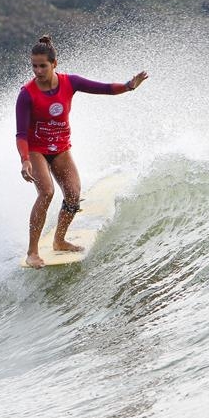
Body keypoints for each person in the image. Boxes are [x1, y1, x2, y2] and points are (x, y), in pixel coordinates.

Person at [16, 35, 148, 269]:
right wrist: (25, 160)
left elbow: (104, 89)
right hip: (36, 149)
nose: (37, 70)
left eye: (42, 65)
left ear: (54, 64)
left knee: (73, 194)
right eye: (34, 66)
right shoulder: (27, 94)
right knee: (46, 192)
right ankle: (32, 252)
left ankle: (59, 240)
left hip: (61, 147)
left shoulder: (70, 82)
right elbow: (21, 134)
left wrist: (128, 86)